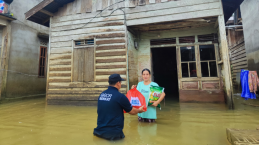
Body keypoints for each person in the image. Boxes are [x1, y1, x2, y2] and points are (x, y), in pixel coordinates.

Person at [93, 74, 145, 141]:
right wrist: (139, 110)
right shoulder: (120, 96)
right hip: (113, 135)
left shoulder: (102, 94)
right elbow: (131, 111)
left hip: (99, 132)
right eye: (120, 82)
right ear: (118, 83)